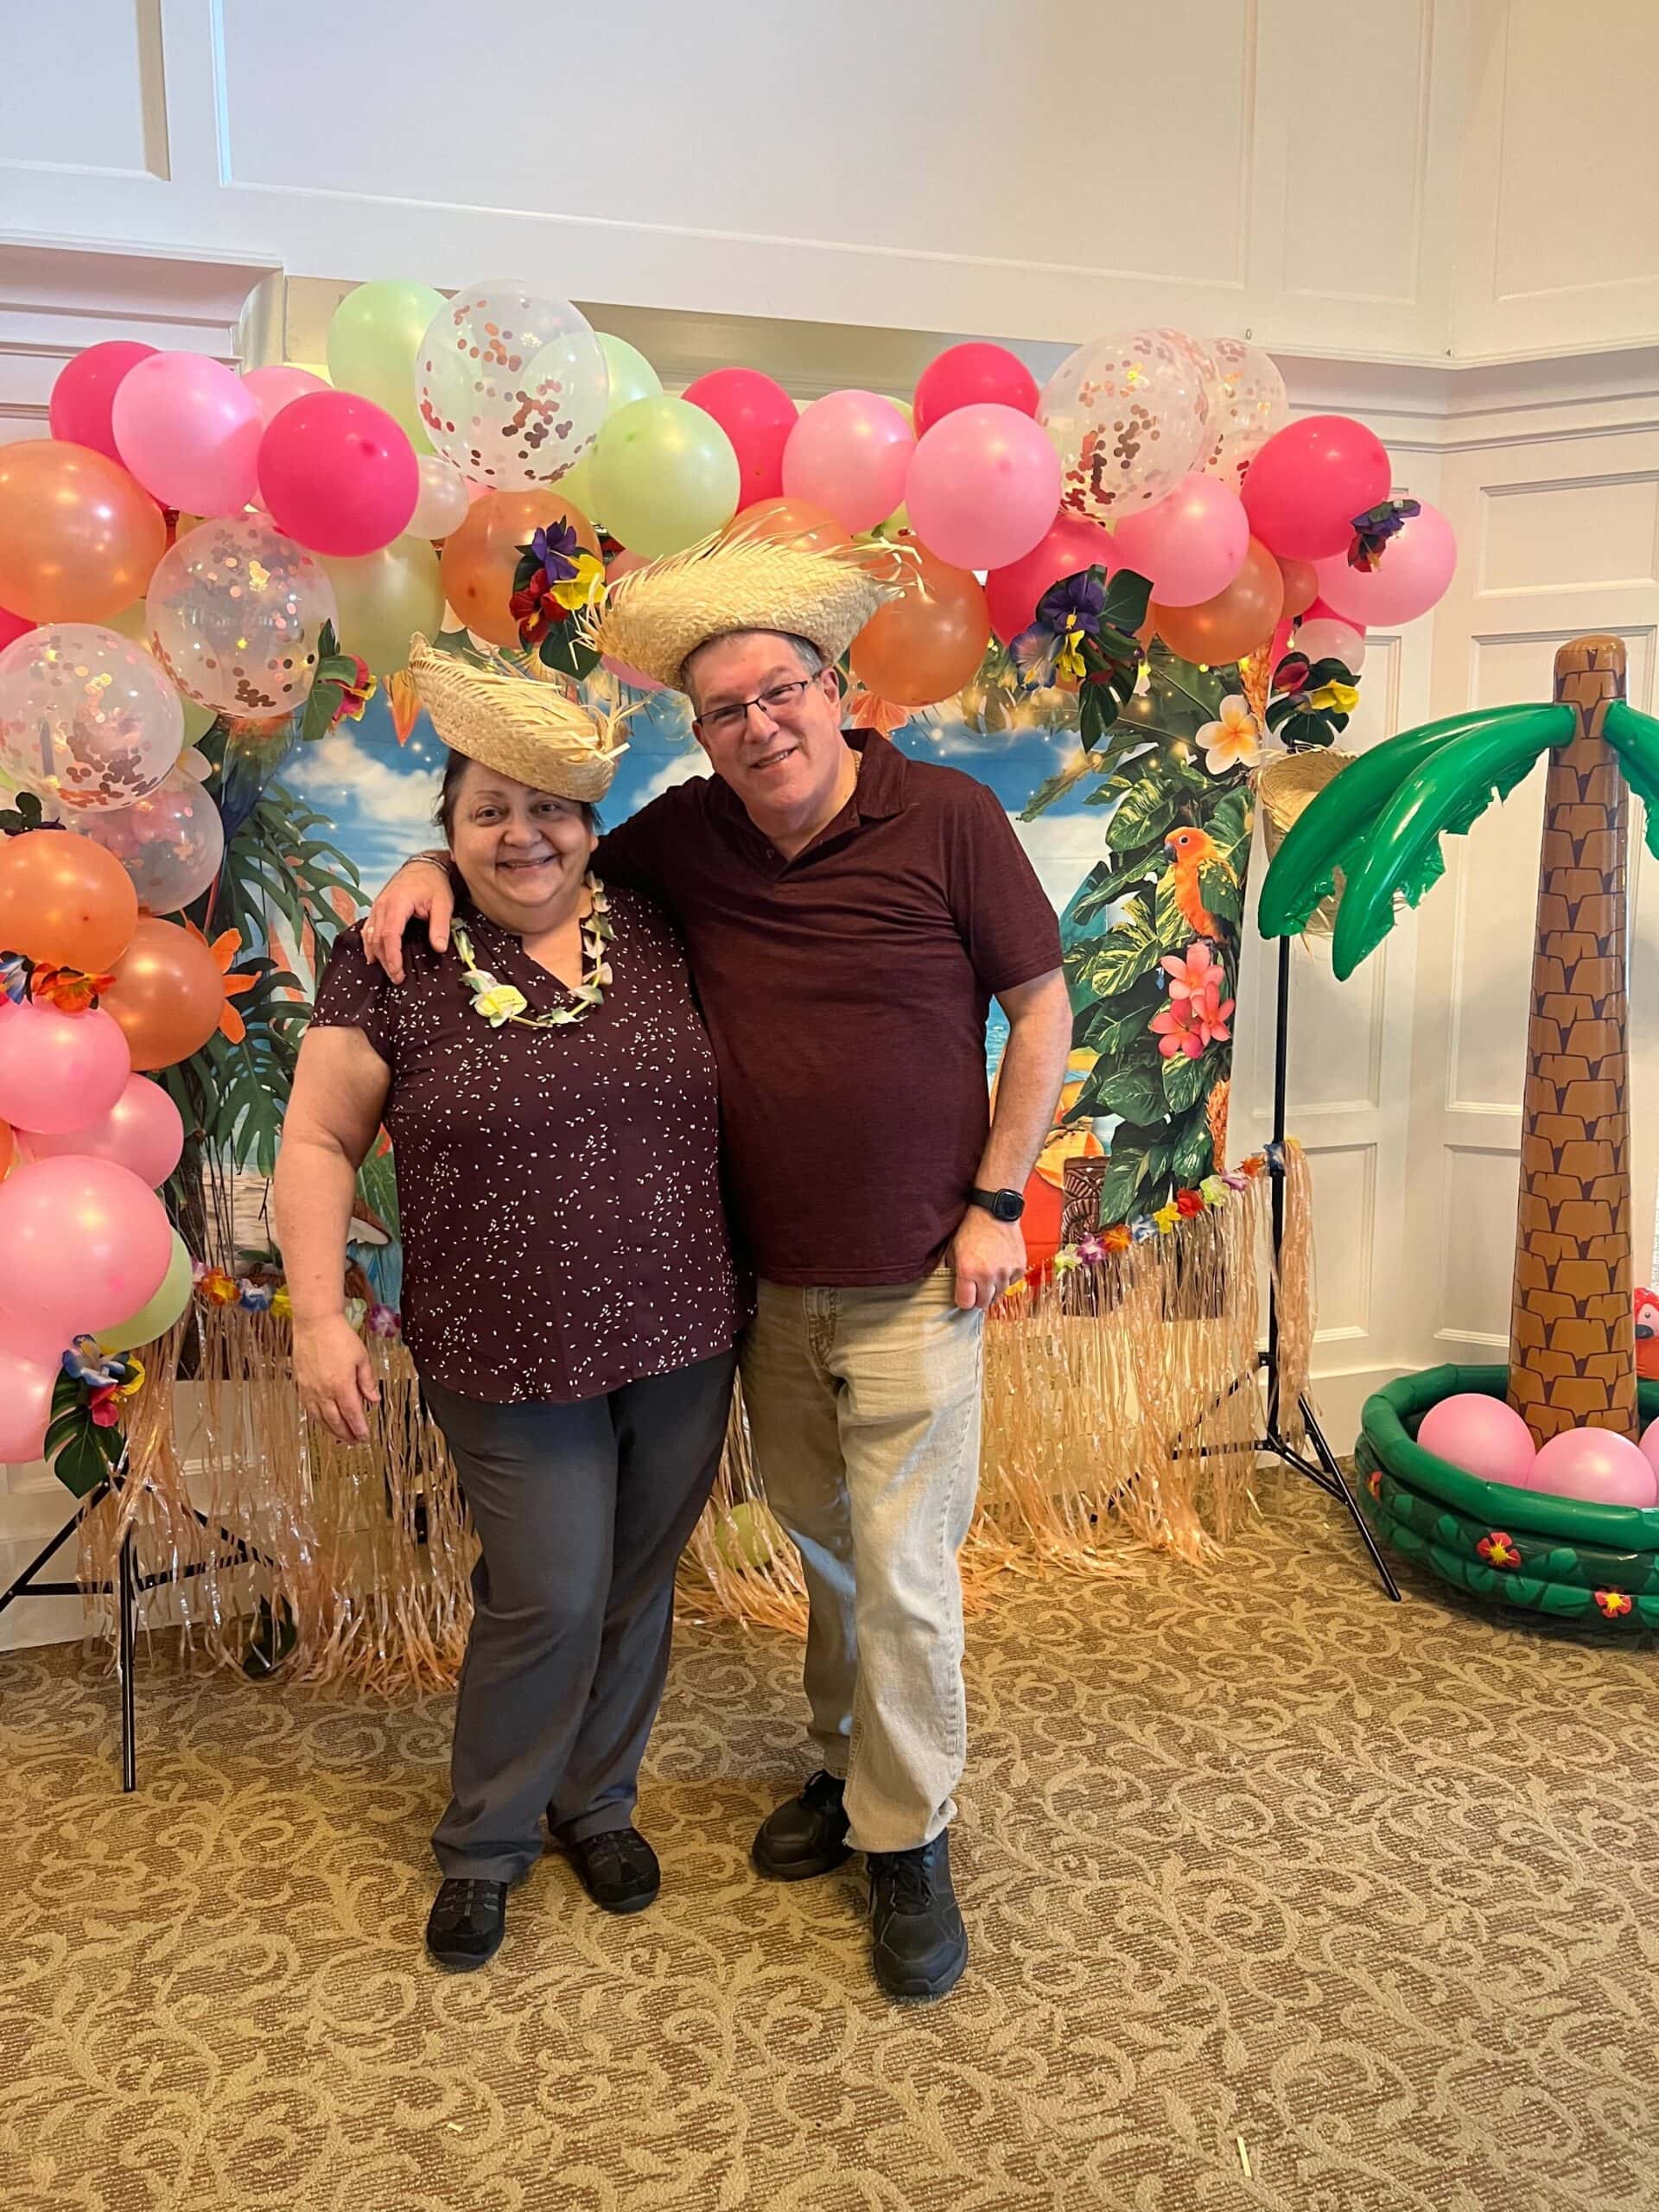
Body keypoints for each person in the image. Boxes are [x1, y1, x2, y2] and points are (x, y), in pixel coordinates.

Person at [363, 535, 1071, 2001]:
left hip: (922, 1276)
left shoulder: (949, 818)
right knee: (829, 1555)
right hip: (758, 1291)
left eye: (782, 693)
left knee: (905, 1571)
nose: (761, 726)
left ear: (836, 689)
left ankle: (911, 1837)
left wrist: (999, 1196)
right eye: (727, 709)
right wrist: (437, 853)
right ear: (702, 734)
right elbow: (535, 856)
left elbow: (1043, 1006)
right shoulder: (687, 840)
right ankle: (846, 1771)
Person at [274, 640, 746, 1972]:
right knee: (548, 1588)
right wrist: (320, 1318)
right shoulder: (395, 955)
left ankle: (596, 1804)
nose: (522, 834)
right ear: (449, 831)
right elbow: (314, 1143)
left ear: (593, 825)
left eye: (549, 806)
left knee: (638, 1582)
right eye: (487, 811)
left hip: (680, 1328)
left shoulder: (657, 923)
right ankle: (486, 1842)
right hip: (502, 1344)